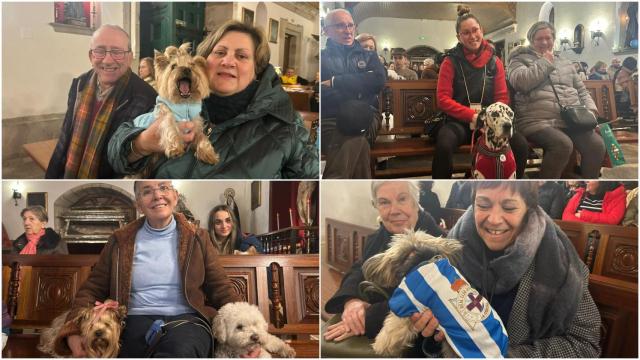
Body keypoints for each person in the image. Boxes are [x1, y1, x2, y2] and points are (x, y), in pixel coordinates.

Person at [108, 20, 318, 179]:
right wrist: (141, 144)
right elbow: (115, 153)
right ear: (203, 62)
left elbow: (311, 181)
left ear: (257, 70)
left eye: (242, 56)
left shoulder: (285, 125)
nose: (228, 61)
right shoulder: (172, 101)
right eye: (219, 52)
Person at [52, 181, 240, 357]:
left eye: (163, 187)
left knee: (180, 351)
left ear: (175, 196)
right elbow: (92, 289)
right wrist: (73, 331)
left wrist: (249, 333)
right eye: (147, 191)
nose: (158, 195)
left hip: (187, 319)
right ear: (138, 205)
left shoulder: (198, 238)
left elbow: (221, 289)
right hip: (132, 320)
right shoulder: (120, 240)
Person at [413, 181, 601, 357]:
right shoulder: (449, 254)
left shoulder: (561, 264)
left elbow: (584, 343)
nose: (494, 220)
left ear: (528, 209)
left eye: (509, 207)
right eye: (483, 205)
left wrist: (505, 356)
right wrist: (435, 334)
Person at [323, 181, 445, 352]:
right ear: (376, 206)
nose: (394, 210)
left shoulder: (437, 244)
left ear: (415, 201)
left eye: (402, 199)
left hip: (420, 341)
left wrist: (368, 317)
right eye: (384, 202)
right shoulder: (379, 236)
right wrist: (351, 302)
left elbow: (422, 299)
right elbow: (359, 268)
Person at [46, 24, 157, 179]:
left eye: (117, 52)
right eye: (100, 51)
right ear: (91, 56)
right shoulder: (79, 84)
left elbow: (136, 162)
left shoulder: (147, 97)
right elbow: (65, 139)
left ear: (130, 57)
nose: (107, 60)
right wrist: (52, 177)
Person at [433, 5, 528, 179]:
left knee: (521, 145)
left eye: (475, 30)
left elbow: (501, 98)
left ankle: (516, 186)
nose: (472, 36)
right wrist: (473, 116)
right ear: (459, 37)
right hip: (459, 122)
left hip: (491, 122)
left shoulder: (495, 61)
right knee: (444, 144)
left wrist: (489, 120)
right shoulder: (450, 61)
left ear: (482, 30)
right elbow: (442, 99)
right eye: (466, 33)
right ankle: (440, 188)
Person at [508, 21, 605, 179]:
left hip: (571, 118)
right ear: (532, 40)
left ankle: (586, 187)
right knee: (562, 144)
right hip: (536, 119)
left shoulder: (565, 62)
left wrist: (591, 110)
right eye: (539, 39)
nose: (545, 42)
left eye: (548, 38)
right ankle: (544, 187)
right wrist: (545, 62)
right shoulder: (519, 59)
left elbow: (581, 90)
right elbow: (521, 83)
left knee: (596, 145)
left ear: (554, 39)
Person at [320, 9, 386, 179]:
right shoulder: (322, 58)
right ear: (326, 30)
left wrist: (337, 82)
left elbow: (378, 81)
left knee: (353, 139)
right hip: (331, 120)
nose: (348, 30)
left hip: (366, 116)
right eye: (340, 26)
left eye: (350, 25)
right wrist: (361, 85)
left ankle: (329, 190)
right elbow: (323, 94)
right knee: (359, 143)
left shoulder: (370, 56)